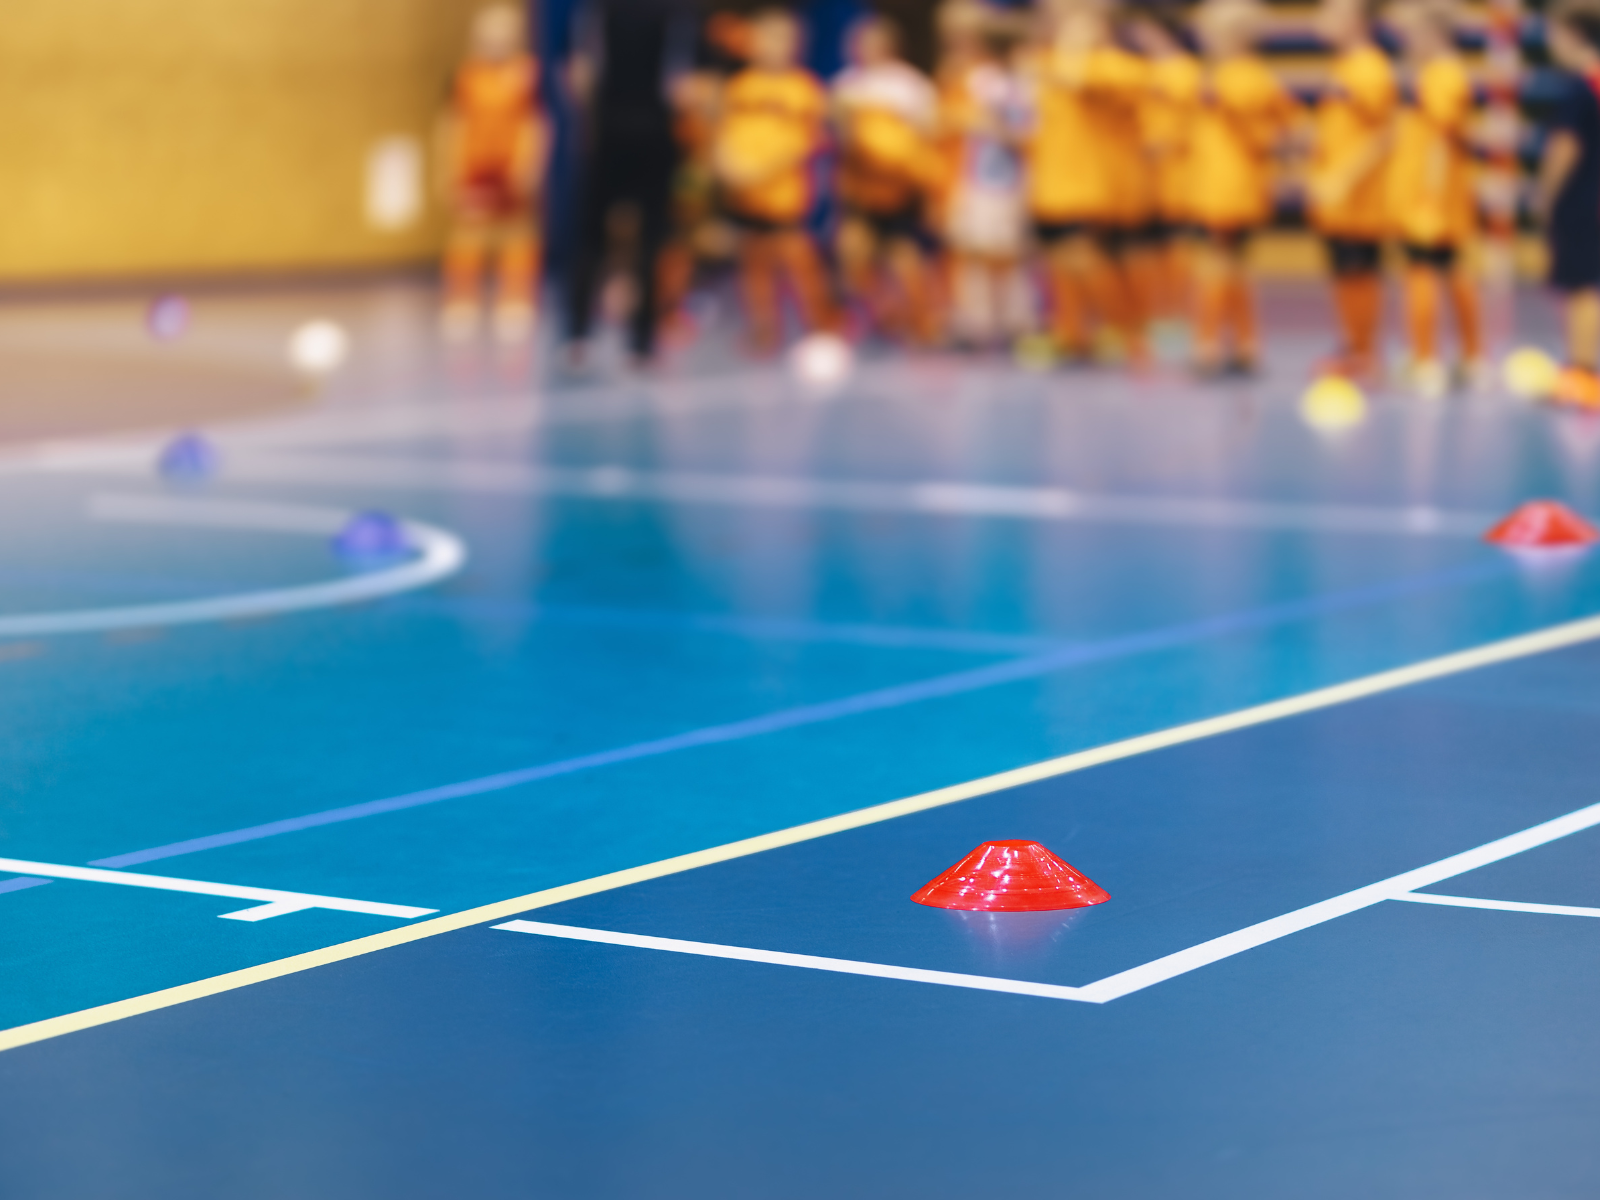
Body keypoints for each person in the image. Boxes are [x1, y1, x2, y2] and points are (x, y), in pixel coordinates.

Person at [563, 0, 687, 369]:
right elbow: (582, 73)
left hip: (632, 136)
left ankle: (595, 339)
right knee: (609, 239)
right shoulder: (601, 13)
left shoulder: (666, 14)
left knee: (612, 239)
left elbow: (579, 76)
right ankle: (613, 341)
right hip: (623, 136)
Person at [1027, 0, 1150, 366]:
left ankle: (1129, 336)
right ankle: (1072, 335)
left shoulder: (1116, 67)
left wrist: (1075, 45)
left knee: (1085, 258)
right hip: (1053, 181)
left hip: (1089, 183)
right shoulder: (1048, 61)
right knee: (1060, 261)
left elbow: (1077, 80)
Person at [1188, 0, 1301, 377]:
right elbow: (1287, 121)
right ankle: (1246, 344)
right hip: (1227, 182)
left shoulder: (1239, 78)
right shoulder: (1245, 75)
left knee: (1218, 264)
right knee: (1233, 265)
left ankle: (1208, 345)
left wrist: (1266, 148)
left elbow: (1273, 128)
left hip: (1230, 185)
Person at [712, 8, 834, 352]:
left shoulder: (803, 89)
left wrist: (761, 169)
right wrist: (727, 165)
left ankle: (819, 325)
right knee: (753, 263)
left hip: (784, 197)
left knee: (797, 259)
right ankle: (764, 330)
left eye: (784, 39)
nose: (775, 47)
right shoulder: (740, 87)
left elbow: (809, 141)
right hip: (746, 196)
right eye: (768, 38)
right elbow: (723, 134)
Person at [1386, 0, 1483, 397]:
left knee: (1423, 270)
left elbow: (1443, 140)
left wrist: (1429, 196)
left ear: (1433, 32)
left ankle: (1428, 360)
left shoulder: (1442, 76)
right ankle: (1469, 358)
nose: (1407, 43)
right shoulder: (1436, 73)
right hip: (1434, 195)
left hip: (1432, 197)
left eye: (1412, 34)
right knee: (1449, 268)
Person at [438, 3, 551, 343]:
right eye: (489, 34)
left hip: (511, 169)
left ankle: (515, 301)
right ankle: (462, 302)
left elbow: (536, 123)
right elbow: (451, 125)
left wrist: (530, 164)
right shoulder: (465, 76)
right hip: (474, 167)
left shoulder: (528, 74)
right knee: (467, 237)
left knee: (517, 237)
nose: (496, 41)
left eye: (504, 34)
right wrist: (447, 167)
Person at [832, 15, 940, 344]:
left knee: (903, 255)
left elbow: (927, 135)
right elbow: (838, 139)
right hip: (861, 190)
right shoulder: (846, 84)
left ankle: (923, 322)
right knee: (851, 251)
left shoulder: (910, 85)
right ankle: (881, 313)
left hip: (899, 188)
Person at [934, 0, 1033, 348]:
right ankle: (976, 322)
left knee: (1006, 254)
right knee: (971, 251)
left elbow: (1024, 131)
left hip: (1007, 180)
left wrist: (990, 124)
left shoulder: (1016, 83)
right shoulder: (975, 80)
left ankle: (1013, 322)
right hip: (974, 178)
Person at [1307, 0, 1397, 382]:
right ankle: (1351, 346)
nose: (1320, 19)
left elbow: (1386, 133)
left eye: (1332, 11)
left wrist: (1345, 175)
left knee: (1360, 269)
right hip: (1335, 198)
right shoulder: (1343, 67)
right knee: (1343, 270)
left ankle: (1366, 354)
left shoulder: (1370, 68)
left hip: (1360, 197)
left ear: (1357, 19)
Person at [1535, 0, 1600, 406]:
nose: (1550, 43)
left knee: (1582, 286)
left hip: (1582, 201)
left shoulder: (1582, 86)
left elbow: (1564, 148)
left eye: (1555, 34)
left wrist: (1545, 195)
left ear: (1574, 35)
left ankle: (1583, 370)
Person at [1128, 9, 1203, 330]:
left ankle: (1179, 318)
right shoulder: (1142, 70)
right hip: (1146, 177)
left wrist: (1167, 143)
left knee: (1180, 251)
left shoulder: (1185, 70)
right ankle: (1156, 317)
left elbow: (1195, 122)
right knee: (1150, 252)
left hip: (1180, 176)